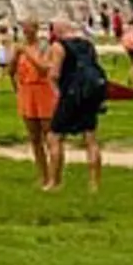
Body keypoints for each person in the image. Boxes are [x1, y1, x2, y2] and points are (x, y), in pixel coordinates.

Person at [46, 21, 106, 193]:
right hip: (89, 94)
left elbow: (54, 74)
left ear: (57, 31)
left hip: (70, 95)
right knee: (90, 139)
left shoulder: (59, 46)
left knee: (55, 136)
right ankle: (94, 183)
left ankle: (54, 181)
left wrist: (57, 92)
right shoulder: (87, 45)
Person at [9, 20, 58, 189]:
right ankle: (42, 175)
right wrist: (14, 57)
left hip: (44, 92)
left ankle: (54, 177)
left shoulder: (45, 47)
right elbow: (11, 71)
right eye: (23, 28)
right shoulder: (19, 47)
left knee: (50, 135)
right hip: (27, 92)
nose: (25, 31)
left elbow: (43, 69)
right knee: (34, 138)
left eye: (28, 27)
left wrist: (27, 52)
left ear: (36, 29)